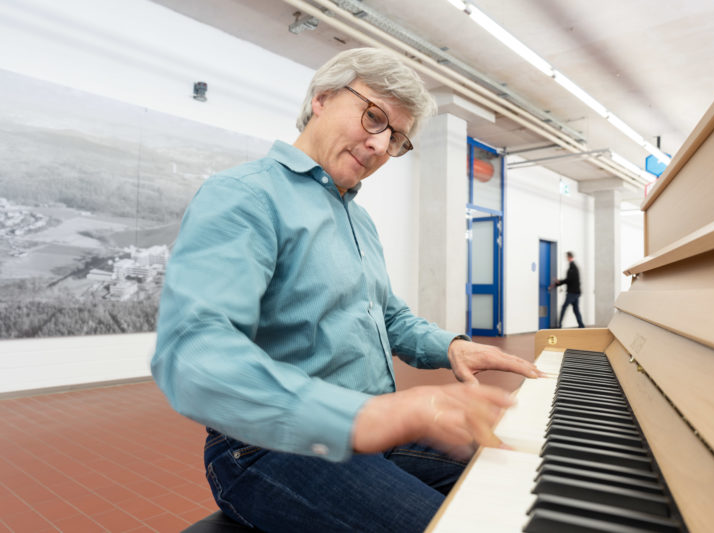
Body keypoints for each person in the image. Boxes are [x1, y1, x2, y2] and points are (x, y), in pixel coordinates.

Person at [150, 47, 544, 533]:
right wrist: (363, 417)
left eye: (396, 137)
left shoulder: (358, 218)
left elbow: (388, 315)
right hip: (268, 447)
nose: (381, 146)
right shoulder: (245, 195)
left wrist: (453, 347)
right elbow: (193, 351)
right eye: (374, 117)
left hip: (373, 433)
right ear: (321, 99)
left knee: (525, 487)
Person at [550, 251, 585, 328]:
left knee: (564, 307)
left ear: (569, 257)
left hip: (572, 292)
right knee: (576, 310)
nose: (566, 258)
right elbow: (569, 279)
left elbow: (569, 280)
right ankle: (581, 326)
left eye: (566, 257)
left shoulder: (573, 267)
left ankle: (559, 325)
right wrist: (558, 283)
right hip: (576, 292)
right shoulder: (573, 266)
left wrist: (558, 282)